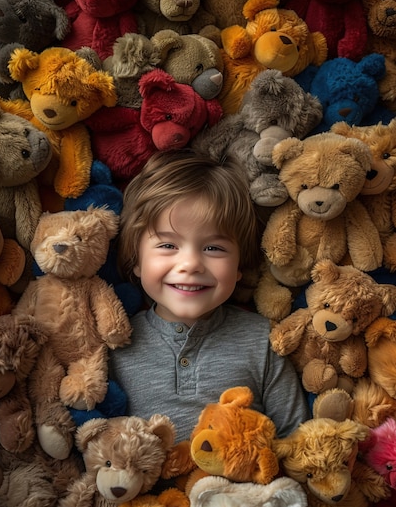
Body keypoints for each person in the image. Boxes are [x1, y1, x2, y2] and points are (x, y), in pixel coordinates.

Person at [108, 149, 310, 441]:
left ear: (239, 265)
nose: (190, 264)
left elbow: (296, 440)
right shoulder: (117, 343)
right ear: (136, 260)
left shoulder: (262, 340)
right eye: (167, 246)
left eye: (213, 248)